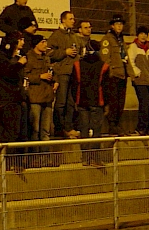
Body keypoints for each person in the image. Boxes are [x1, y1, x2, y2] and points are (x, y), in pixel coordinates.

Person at [0, 32, 28, 168]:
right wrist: (19, 65)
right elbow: (8, 74)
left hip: (15, 99)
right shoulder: (1, 59)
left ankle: (18, 162)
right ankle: (9, 163)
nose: (22, 43)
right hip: (5, 101)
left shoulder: (13, 58)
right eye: (20, 40)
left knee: (19, 133)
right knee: (10, 133)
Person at [46, 10, 80, 139]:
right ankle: (59, 128)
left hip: (73, 72)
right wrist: (64, 52)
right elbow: (49, 53)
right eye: (70, 19)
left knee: (71, 102)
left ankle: (68, 127)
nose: (73, 21)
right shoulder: (56, 36)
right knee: (61, 102)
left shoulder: (74, 36)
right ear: (63, 20)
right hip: (62, 72)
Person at [98, 14, 130, 134]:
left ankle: (118, 123)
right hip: (113, 76)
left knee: (120, 102)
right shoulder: (107, 39)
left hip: (122, 74)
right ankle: (112, 125)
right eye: (117, 24)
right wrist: (110, 72)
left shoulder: (121, 40)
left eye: (121, 24)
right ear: (112, 26)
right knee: (113, 102)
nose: (119, 26)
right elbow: (105, 58)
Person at [24, 34, 56, 143]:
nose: (45, 44)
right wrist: (39, 77)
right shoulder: (28, 58)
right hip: (35, 97)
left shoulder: (46, 58)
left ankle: (45, 156)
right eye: (42, 42)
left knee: (45, 131)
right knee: (35, 129)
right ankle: (34, 156)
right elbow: (25, 76)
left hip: (47, 97)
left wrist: (55, 80)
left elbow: (52, 71)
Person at [128, 26, 149, 135]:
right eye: (141, 33)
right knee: (144, 103)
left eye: (145, 34)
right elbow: (131, 62)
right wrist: (137, 73)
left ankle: (148, 127)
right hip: (140, 81)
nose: (143, 36)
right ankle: (140, 127)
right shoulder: (133, 47)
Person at [74, 39, 106, 138]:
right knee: (96, 131)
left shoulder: (77, 64)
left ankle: (84, 152)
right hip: (97, 101)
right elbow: (107, 86)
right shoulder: (103, 66)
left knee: (84, 129)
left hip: (82, 101)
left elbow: (74, 84)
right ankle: (95, 152)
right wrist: (107, 103)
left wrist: (76, 99)